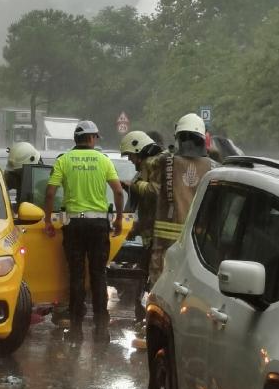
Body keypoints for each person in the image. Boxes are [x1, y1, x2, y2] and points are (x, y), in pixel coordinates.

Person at [135, 113, 213, 349]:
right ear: (202, 139)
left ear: (178, 137)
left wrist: (136, 184)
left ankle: (153, 330)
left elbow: (143, 164)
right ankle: (190, 334)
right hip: (197, 242)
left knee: (159, 285)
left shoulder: (164, 161)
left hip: (165, 240)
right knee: (195, 290)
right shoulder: (213, 167)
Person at [44, 120, 124, 344]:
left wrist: (47, 220)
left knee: (77, 275)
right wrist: (118, 218)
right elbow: (118, 192)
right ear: (92, 138)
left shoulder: (64, 160)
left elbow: (50, 193)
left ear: (76, 139)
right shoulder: (103, 160)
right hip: (99, 225)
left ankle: (76, 327)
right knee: (99, 275)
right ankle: (101, 327)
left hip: (74, 226)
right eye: (96, 137)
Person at [119, 131, 164, 321]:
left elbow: (155, 196)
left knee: (152, 282)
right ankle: (145, 319)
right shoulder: (147, 169)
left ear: (139, 150)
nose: (131, 160)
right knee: (145, 279)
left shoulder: (151, 165)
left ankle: (150, 321)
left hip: (157, 240)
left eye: (131, 156)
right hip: (152, 238)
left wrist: (134, 185)